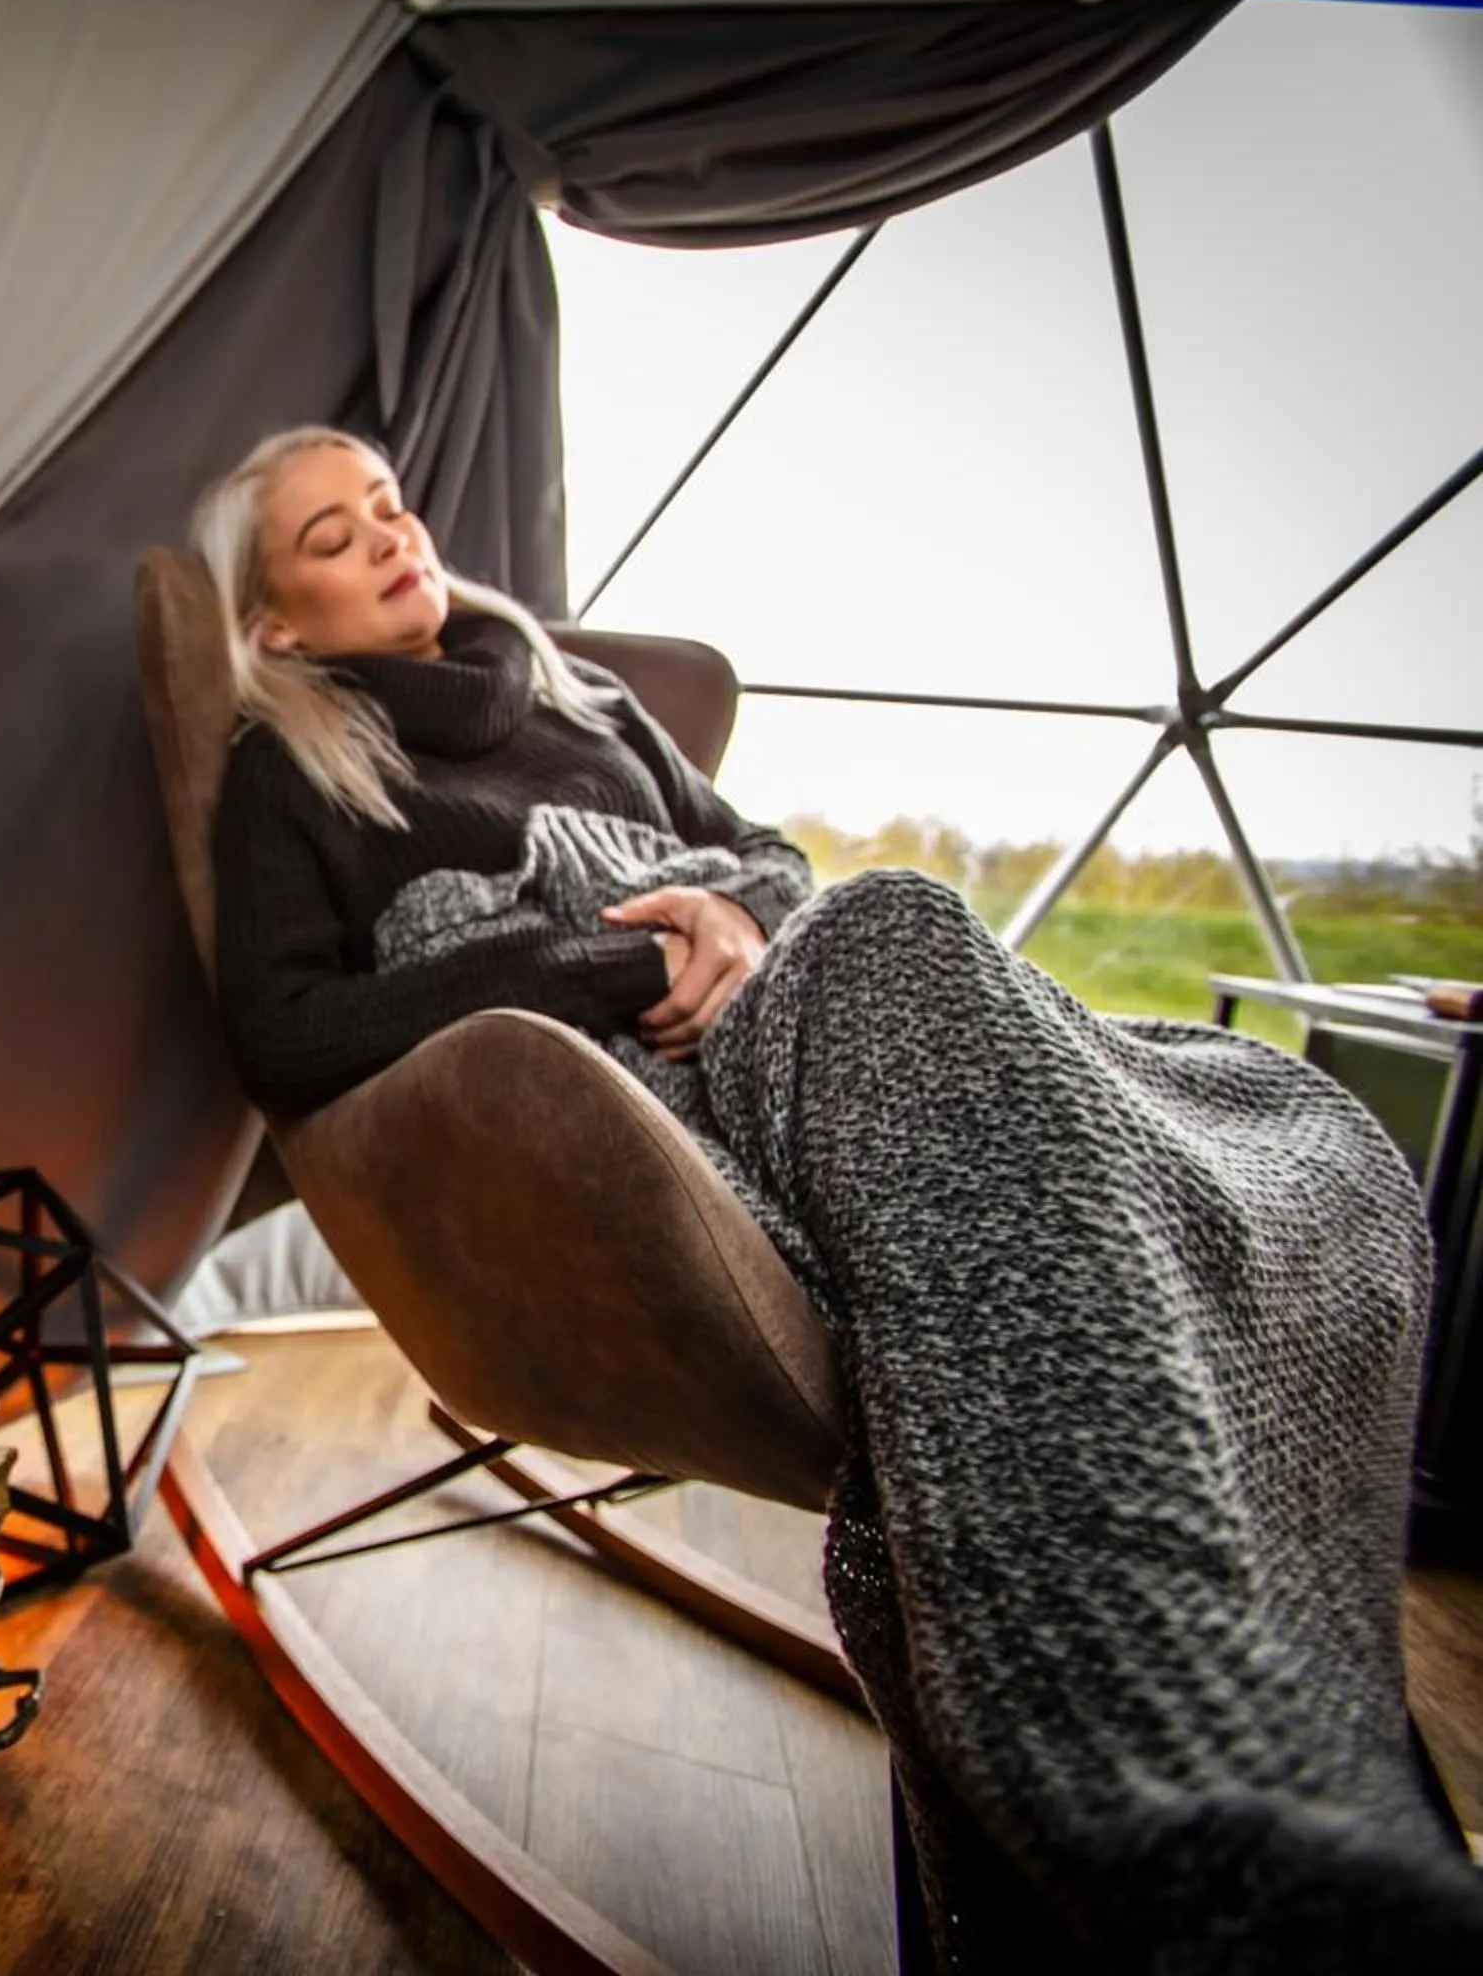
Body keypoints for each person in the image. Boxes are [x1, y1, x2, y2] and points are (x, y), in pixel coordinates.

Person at [193, 424, 1483, 1970]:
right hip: (631, 1110)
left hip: (802, 1018)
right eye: (331, 536)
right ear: (274, 621)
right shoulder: (293, 765)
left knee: (1300, 1137)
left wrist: (737, 920)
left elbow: (765, 859)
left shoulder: (578, 695)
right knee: (892, 928)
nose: (389, 534)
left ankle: (1294, 1753)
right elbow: (288, 1031)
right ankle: (1187, 1785)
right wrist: (617, 953)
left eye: (389, 504)